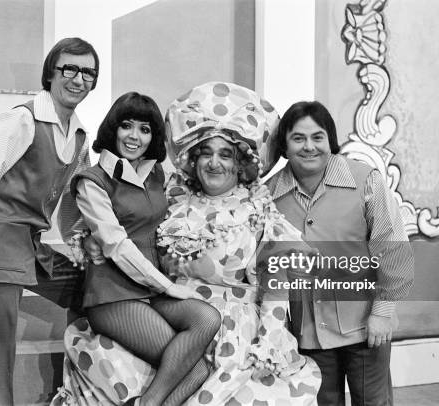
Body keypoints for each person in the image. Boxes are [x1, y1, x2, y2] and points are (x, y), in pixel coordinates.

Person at [58, 82, 321, 406]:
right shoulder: (173, 199)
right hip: (160, 306)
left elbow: (277, 285)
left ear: (240, 163)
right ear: (193, 160)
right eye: (206, 154)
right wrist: (89, 241)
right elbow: (127, 227)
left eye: (225, 154)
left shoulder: (259, 212)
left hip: (232, 330)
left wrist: (269, 338)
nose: (214, 163)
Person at [0, 37, 99, 405]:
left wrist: (80, 241)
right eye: (69, 69)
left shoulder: (79, 137)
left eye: (88, 72)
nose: (78, 79)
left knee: (91, 292)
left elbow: (78, 197)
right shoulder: (20, 120)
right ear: (51, 73)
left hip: (31, 244)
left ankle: (84, 389)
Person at [56, 91, 222, 406]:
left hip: (151, 290)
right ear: (112, 129)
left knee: (206, 320)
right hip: (113, 294)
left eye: (145, 129)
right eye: (127, 126)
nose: (135, 136)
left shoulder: (157, 174)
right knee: (193, 369)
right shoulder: (92, 181)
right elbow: (116, 245)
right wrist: (168, 286)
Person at [266, 101, 414, 406]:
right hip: (308, 333)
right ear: (284, 145)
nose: (309, 147)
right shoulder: (268, 195)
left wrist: (383, 313)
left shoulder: (365, 180)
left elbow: (394, 250)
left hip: (366, 327)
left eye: (318, 137)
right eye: (298, 138)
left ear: (330, 141)